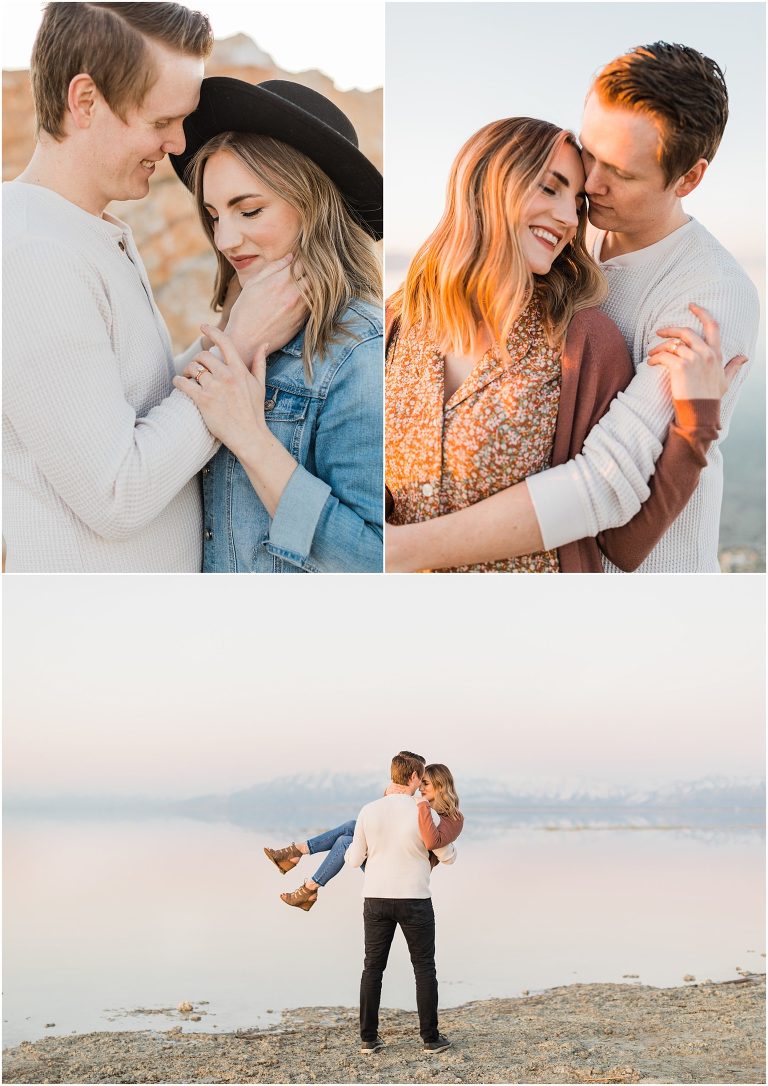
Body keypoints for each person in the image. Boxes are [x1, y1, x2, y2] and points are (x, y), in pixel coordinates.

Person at [385, 42, 759, 574]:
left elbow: (606, 481)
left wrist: (399, 552)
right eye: (590, 153)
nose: (591, 186)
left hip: (644, 591)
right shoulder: (568, 252)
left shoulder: (708, 295)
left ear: (689, 179)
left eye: (622, 173)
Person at [3, 2, 305, 572]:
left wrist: (242, 324)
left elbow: (138, 408)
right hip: (91, 641)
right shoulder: (33, 252)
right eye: (161, 122)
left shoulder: (83, 231)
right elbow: (118, 493)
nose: (176, 144)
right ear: (85, 101)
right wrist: (237, 345)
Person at [170, 78, 383, 572]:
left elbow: (375, 562)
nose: (224, 238)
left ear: (313, 204)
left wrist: (249, 437)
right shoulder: (234, 331)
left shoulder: (358, 350)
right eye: (213, 215)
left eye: (249, 210)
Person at [339, 752, 455, 1055]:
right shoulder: (423, 811)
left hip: (376, 898)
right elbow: (448, 855)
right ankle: (430, 1039)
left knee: (372, 968)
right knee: (424, 968)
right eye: (421, 779)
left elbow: (353, 861)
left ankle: (369, 1038)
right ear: (415, 777)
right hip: (415, 898)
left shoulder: (369, 810)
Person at [264, 762, 464, 911]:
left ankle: (307, 885)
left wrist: (416, 803)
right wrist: (393, 797)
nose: (420, 788)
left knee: (344, 842)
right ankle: (298, 853)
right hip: (389, 857)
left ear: (440, 785)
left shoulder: (450, 818)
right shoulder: (419, 806)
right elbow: (392, 822)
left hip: (405, 871)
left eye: (426, 784)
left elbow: (432, 840)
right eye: (420, 783)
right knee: (353, 825)